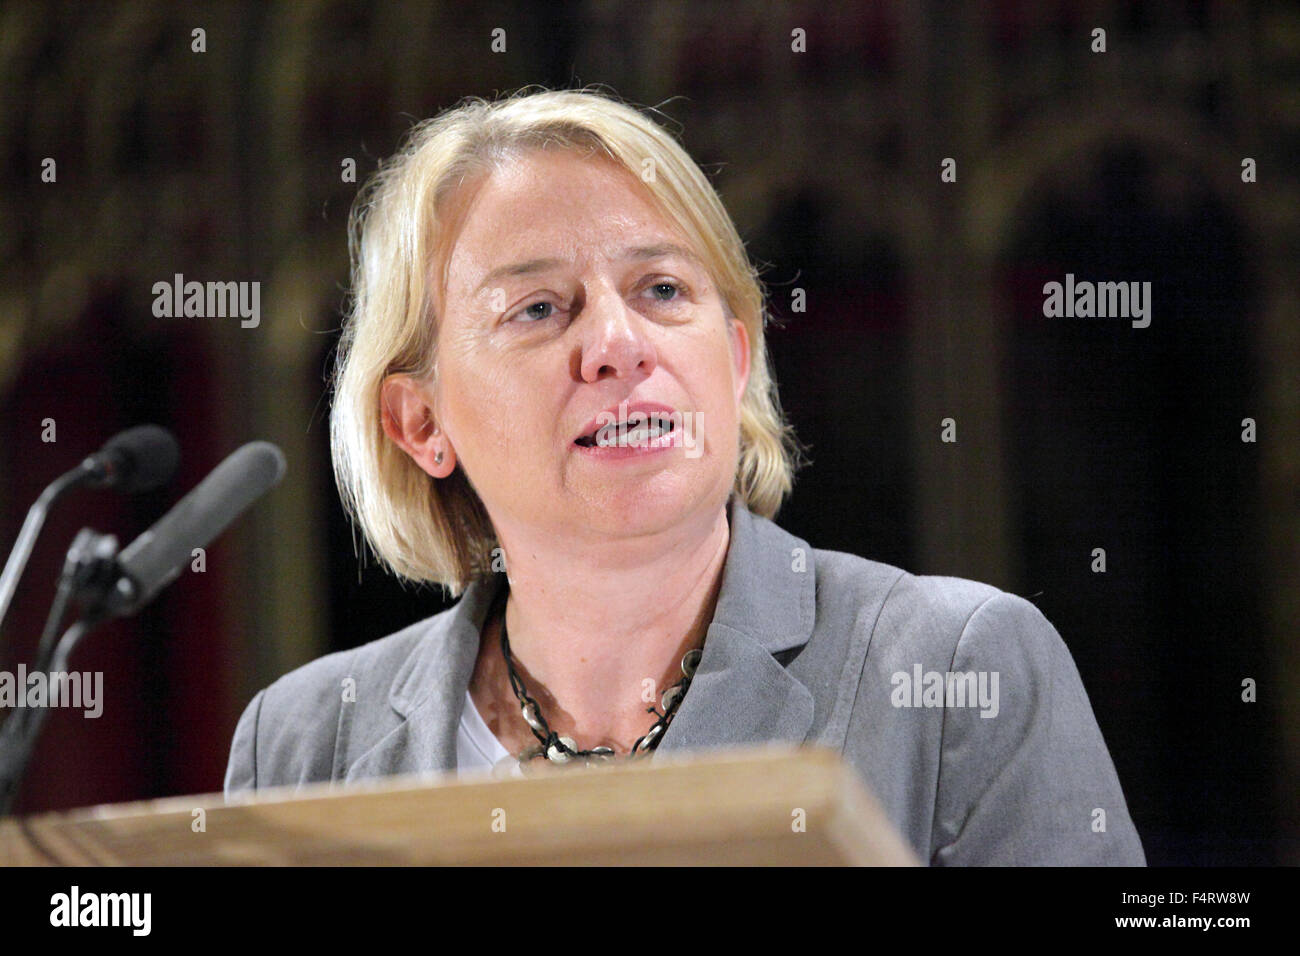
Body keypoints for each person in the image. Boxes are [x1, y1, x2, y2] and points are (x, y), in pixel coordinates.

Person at [223, 86, 1145, 865]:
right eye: (539, 308)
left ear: (735, 359)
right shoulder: (304, 743)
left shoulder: (955, 667)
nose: (619, 345)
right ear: (420, 423)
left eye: (663, 290)